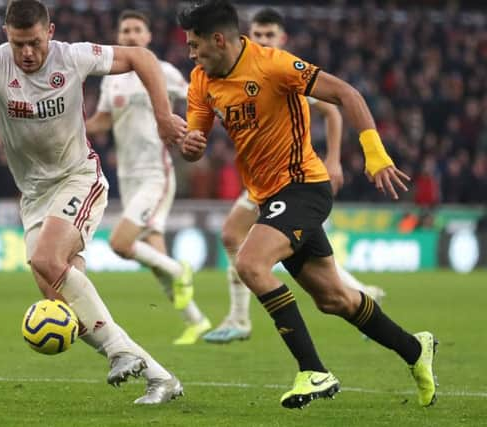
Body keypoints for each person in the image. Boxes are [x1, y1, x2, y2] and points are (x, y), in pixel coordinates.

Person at [177, 0, 437, 409]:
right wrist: (190, 144)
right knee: (334, 299)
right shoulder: (201, 79)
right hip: (269, 197)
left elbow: (346, 94)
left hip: (303, 187)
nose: (191, 54)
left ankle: (314, 371)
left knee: (250, 263)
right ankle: (415, 349)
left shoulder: (274, 65)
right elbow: (195, 140)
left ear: (219, 39)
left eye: (195, 45)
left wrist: (374, 152)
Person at [0, 0, 186, 405]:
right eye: (19, 44)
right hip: (34, 196)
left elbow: (141, 57)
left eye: (34, 42)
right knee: (64, 301)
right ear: (5, 35)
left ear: (49, 32)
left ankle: (120, 352)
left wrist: (162, 116)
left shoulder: (73, 57)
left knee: (47, 261)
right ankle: (160, 377)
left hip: (78, 178)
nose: (27, 53)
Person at [204, 7, 386, 344]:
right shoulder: (238, 69)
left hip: (295, 176)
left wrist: (334, 160)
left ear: (282, 38)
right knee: (235, 236)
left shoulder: (284, 69)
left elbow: (333, 110)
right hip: (263, 178)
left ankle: (242, 318)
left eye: (270, 35)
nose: (262, 39)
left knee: (266, 246)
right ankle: (358, 294)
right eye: (258, 33)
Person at [86, 10, 210, 345]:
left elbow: (196, 98)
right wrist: (70, 129)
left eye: (135, 30)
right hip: (128, 178)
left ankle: (179, 270)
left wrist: (193, 132)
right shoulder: (111, 78)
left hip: (156, 174)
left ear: (147, 37)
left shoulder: (162, 71)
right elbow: (102, 121)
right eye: (124, 30)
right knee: (155, 254)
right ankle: (197, 321)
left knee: (120, 243)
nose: (129, 36)